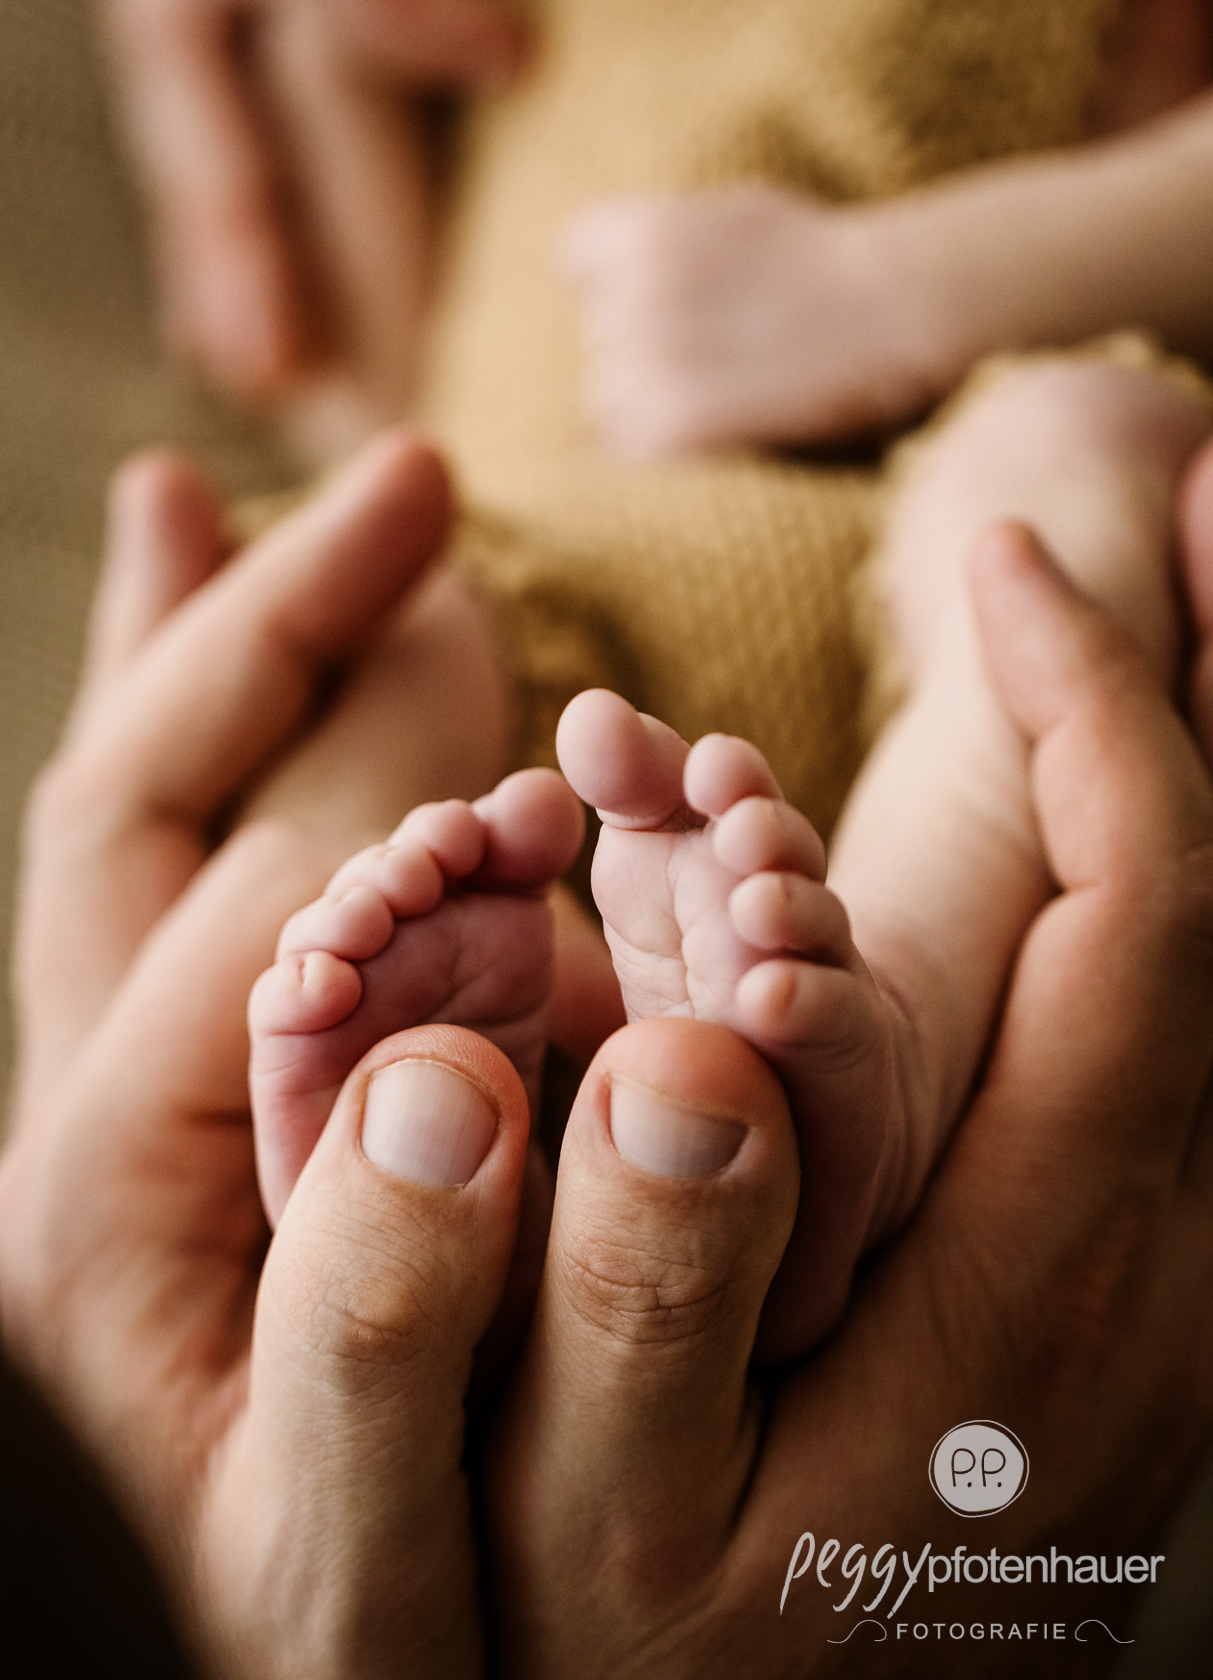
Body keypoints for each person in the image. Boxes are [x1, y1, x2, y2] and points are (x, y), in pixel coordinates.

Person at [4, 429, 1213, 1679]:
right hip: (614, 574)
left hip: (529, 579)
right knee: (1047, 503)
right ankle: (898, 1029)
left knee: (397, 663)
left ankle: (450, 1201)